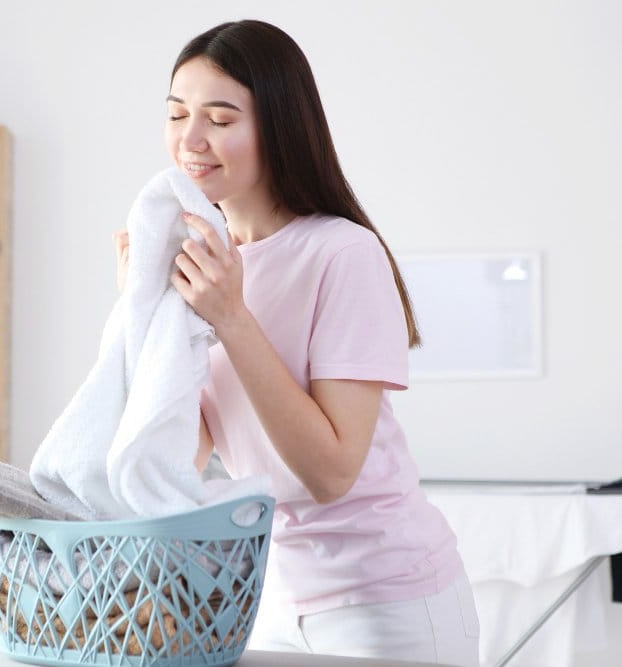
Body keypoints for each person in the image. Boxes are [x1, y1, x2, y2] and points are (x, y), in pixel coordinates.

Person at [112, 19, 479, 667]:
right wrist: (140, 313)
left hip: (385, 603)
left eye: (221, 119)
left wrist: (231, 317)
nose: (190, 141)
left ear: (277, 127)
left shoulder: (342, 253)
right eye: (176, 114)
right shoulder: (202, 257)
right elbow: (183, 450)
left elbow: (332, 472)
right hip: (271, 597)